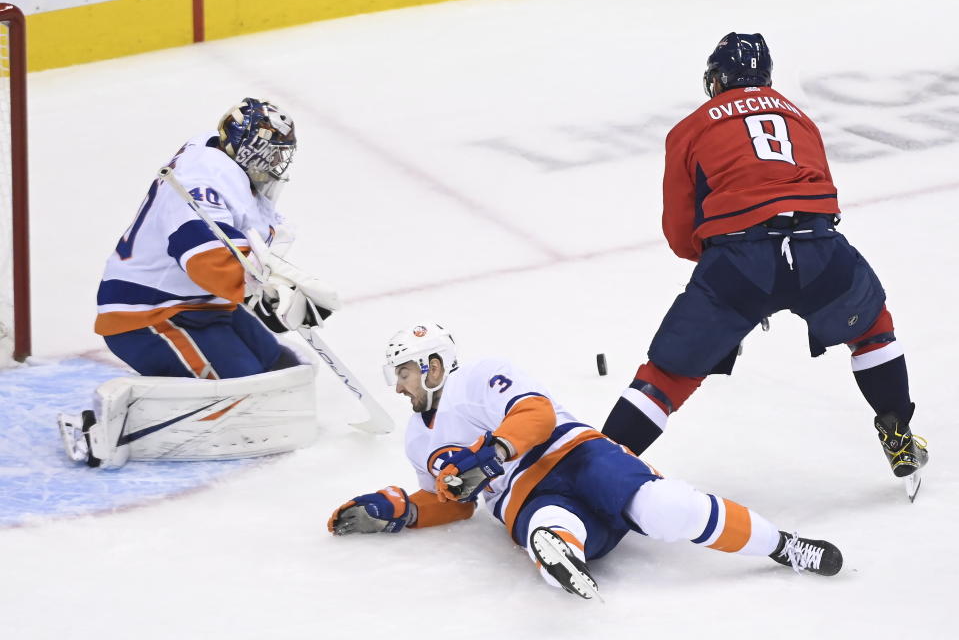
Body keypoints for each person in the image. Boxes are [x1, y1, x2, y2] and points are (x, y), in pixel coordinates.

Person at [600, 33, 928, 496]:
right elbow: (824, 192)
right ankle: (898, 432)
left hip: (739, 260)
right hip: (818, 249)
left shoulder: (692, 127)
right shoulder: (801, 117)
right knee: (873, 327)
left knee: (669, 372)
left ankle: (598, 464)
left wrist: (726, 274)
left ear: (717, 79)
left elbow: (679, 231)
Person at [328, 323, 842, 599]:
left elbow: (536, 413)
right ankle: (560, 554)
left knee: (665, 509)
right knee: (546, 530)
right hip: (524, 498)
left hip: (576, 456)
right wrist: (404, 509)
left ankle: (784, 545)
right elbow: (457, 504)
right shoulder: (417, 438)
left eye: (404, 373)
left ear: (433, 365)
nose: (397, 386)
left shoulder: (478, 376)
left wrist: (491, 454)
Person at [57, 98, 339, 468]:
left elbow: (242, 250)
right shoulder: (202, 179)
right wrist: (263, 294)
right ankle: (103, 426)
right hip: (149, 316)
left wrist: (282, 285)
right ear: (246, 149)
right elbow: (205, 260)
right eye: (269, 154)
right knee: (248, 398)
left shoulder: (225, 159)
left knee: (284, 373)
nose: (274, 165)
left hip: (204, 306)